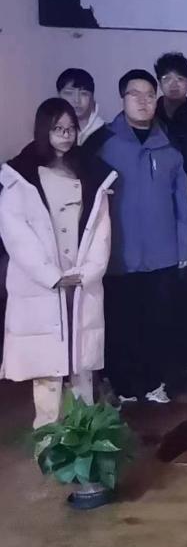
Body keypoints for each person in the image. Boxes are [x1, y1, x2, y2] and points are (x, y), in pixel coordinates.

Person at [1, 99, 116, 427]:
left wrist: (89, 271)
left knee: (82, 365)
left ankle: (86, 439)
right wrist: (50, 275)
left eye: (70, 129)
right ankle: (48, 438)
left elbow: (101, 228)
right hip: (42, 284)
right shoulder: (20, 176)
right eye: (58, 129)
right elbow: (16, 233)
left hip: (80, 280)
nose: (66, 135)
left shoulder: (90, 173)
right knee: (47, 371)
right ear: (44, 130)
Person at [98, 70, 187, 404]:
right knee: (122, 324)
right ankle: (125, 387)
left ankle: (156, 384)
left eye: (149, 95)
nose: (143, 101)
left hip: (162, 254)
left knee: (159, 324)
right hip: (118, 255)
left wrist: (185, 247)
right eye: (134, 94)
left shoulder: (169, 146)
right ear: (122, 99)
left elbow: (183, 202)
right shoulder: (102, 144)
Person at [56, 68, 111, 154]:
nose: (76, 100)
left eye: (84, 93)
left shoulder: (107, 135)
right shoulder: (48, 132)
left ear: (92, 98)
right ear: (58, 96)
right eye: (69, 93)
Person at [154, 52, 187, 151]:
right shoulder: (148, 117)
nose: (173, 84)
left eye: (180, 79)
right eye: (167, 78)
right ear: (160, 83)